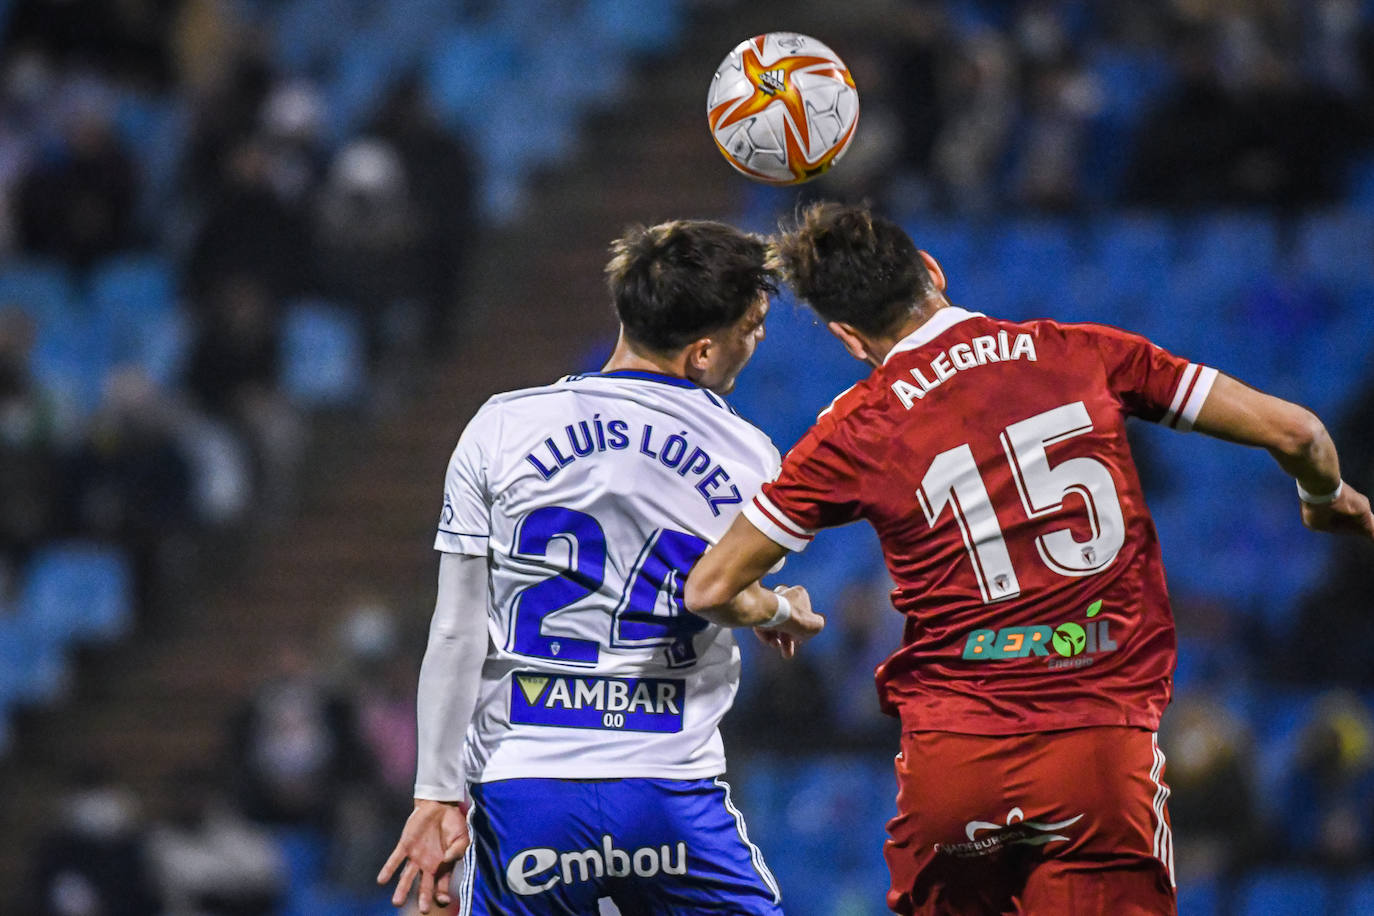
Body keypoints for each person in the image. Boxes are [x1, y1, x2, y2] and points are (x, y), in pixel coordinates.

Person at [685, 202, 1374, 916]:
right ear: (931, 271)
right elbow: (1298, 430)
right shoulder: (1083, 351)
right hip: (1098, 754)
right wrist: (1327, 496)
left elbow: (709, 586)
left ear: (849, 337)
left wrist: (779, 609)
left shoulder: (855, 428)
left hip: (954, 770)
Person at [377, 219, 825, 914]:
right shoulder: (750, 458)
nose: (758, 339)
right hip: (668, 793)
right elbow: (714, 594)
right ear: (702, 353)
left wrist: (436, 791)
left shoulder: (500, 427)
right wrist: (775, 607)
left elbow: (458, 630)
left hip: (527, 796)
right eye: (754, 324)